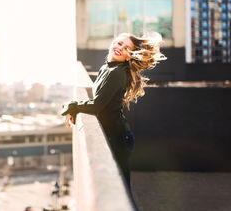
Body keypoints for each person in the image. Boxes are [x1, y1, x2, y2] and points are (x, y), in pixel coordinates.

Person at [61, 32, 166, 187]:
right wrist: (75, 106)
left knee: (121, 187)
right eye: (119, 43)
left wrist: (73, 105)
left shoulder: (116, 72)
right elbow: (99, 101)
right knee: (118, 183)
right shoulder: (107, 68)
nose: (120, 48)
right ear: (112, 44)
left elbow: (97, 105)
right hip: (116, 135)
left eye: (126, 48)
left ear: (129, 56)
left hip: (119, 138)